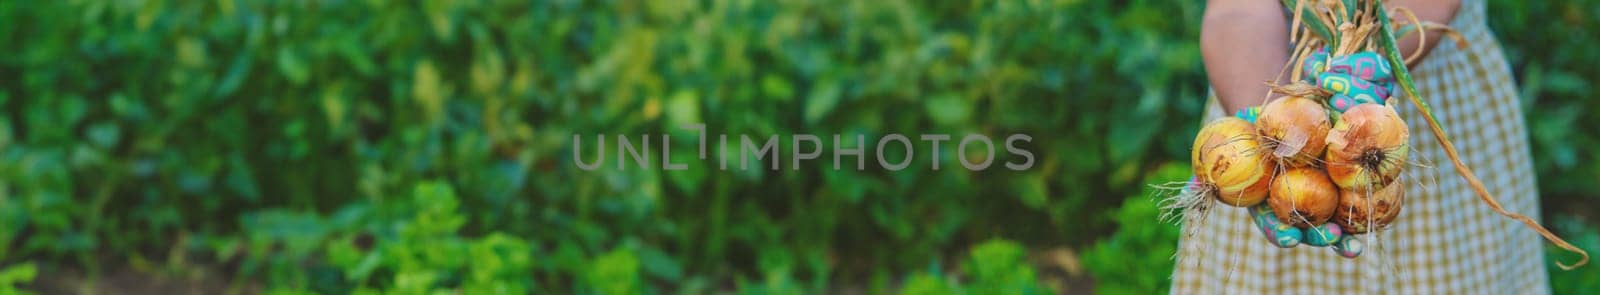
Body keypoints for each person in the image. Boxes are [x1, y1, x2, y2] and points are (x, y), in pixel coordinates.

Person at [1173, 0, 1551, 293]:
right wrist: (1267, 130)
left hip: (1431, 97)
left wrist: (1376, 62)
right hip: (1269, 77)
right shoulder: (1270, 123)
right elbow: (1237, 8)